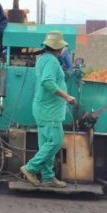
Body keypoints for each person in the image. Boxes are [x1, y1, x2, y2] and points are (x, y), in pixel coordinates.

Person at [20, 31, 76, 188]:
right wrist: (67, 97)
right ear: (58, 48)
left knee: (46, 144)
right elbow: (47, 82)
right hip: (50, 110)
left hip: (42, 108)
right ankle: (30, 168)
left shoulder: (43, 59)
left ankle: (48, 177)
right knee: (56, 142)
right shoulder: (51, 61)